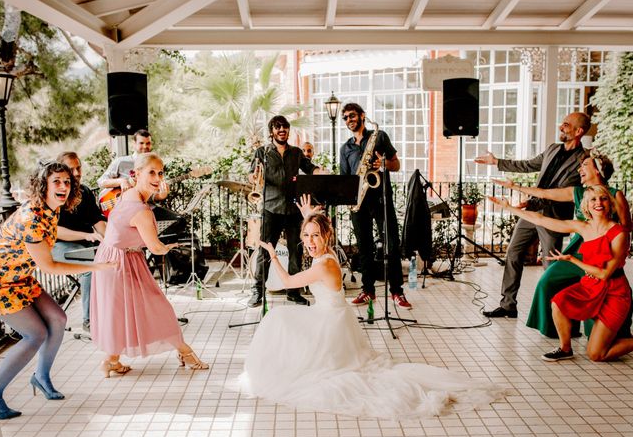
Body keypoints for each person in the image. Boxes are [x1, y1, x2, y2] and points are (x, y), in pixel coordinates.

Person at [242, 195, 504, 418]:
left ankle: (281, 369)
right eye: (306, 236)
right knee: (284, 320)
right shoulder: (327, 253)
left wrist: (273, 254)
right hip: (334, 319)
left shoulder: (324, 265)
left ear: (326, 236)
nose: (310, 241)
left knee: (278, 316)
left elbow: (287, 281)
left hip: (329, 324)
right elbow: (315, 236)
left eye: (315, 236)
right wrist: (310, 216)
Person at [0, 162, 116, 420]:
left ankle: (41, 377)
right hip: (0, 281)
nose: (63, 186)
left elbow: (55, 232)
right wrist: (98, 266)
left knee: (58, 319)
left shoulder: (51, 210)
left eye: (67, 182)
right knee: (34, 334)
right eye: (56, 182)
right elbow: (49, 266)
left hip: (21, 277)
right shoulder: (31, 218)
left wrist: (90, 236)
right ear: (43, 186)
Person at [91, 153, 208, 377]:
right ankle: (186, 352)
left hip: (113, 258)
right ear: (136, 174)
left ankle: (111, 361)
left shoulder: (130, 194)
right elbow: (155, 248)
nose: (157, 177)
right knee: (159, 307)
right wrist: (170, 247)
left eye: (160, 173)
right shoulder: (142, 210)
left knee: (119, 313)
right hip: (121, 263)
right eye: (151, 172)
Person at [494, 151, 632, 338]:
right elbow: (544, 193)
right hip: (578, 250)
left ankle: (609, 330)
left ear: (598, 170)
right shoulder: (577, 192)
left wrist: (609, 235)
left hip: (605, 253)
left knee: (604, 290)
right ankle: (559, 330)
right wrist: (514, 188)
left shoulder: (615, 195)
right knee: (547, 281)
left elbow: (627, 226)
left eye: (585, 166)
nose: (580, 169)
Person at [476, 112, 590, 318]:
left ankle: (553, 313)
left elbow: (572, 192)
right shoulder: (552, 149)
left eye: (566, 124)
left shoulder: (584, 159)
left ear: (579, 131)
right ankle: (508, 305)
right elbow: (527, 165)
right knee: (513, 253)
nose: (561, 127)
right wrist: (497, 162)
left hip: (554, 217)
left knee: (550, 264)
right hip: (532, 211)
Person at [247, 115, 328, 308]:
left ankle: (294, 292)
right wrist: (254, 177)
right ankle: (258, 290)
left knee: (296, 251)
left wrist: (321, 172)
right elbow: (252, 175)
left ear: (288, 130)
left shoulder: (296, 152)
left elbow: (310, 168)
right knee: (265, 252)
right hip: (270, 208)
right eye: (278, 127)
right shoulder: (262, 152)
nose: (282, 130)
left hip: (293, 208)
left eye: (285, 127)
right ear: (272, 131)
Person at [339, 103, 411, 309]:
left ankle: (397, 292)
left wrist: (384, 164)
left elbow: (396, 164)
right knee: (364, 249)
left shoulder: (379, 137)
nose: (348, 120)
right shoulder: (346, 148)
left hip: (381, 199)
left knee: (392, 245)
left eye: (351, 116)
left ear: (362, 116)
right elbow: (346, 179)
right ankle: (368, 290)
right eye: (345, 118)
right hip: (359, 202)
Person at [51, 152, 107, 333]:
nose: (76, 173)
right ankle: (90, 321)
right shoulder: (53, 195)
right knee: (90, 268)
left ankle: (111, 314)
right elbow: (55, 231)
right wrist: (86, 236)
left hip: (85, 243)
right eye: (71, 169)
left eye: (78, 168)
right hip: (59, 247)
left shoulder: (85, 191)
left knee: (113, 260)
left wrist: (111, 242)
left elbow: (97, 220)